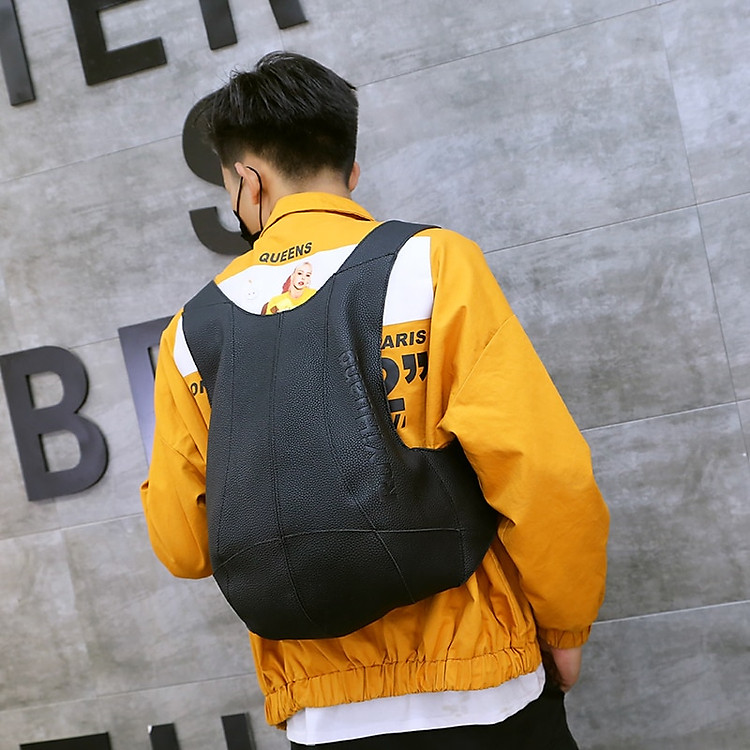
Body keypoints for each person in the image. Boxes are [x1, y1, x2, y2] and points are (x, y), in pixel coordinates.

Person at [140, 51, 609, 749]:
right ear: (350, 173)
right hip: (484, 690)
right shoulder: (431, 263)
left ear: (246, 181)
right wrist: (565, 630)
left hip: (323, 711)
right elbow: (544, 473)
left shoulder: (191, 333)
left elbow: (183, 546)